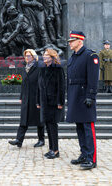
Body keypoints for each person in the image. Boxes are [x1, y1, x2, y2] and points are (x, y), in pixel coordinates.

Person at [66, 31, 99, 170]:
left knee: (88, 128)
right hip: (75, 95)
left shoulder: (90, 55)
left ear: (80, 41)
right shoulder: (73, 57)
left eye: (72, 41)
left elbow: (93, 78)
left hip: (84, 96)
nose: (69, 43)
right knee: (79, 127)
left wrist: (91, 96)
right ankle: (84, 154)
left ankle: (92, 159)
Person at [8, 49, 44, 148]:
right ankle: (19, 140)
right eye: (26, 56)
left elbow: (40, 84)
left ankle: (41, 139)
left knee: (39, 120)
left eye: (29, 56)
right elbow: (23, 84)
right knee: (23, 119)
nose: (27, 58)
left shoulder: (38, 67)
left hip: (36, 97)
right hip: (26, 97)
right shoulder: (25, 68)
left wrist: (40, 98)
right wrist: (21, 96)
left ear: (33, 57)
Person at [37, 49, 65, 159]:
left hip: (54, 102)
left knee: (53, 126)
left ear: (52, 57)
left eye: (47, 55)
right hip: (44, 101)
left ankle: (56, 150)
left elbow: (61, 87)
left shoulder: (58, 69)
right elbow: (38, 87)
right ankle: (51, 149)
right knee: (48, 126)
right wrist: (38, 101)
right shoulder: (42, 69)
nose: (44, 57)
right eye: (44, 55)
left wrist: (60, 102)